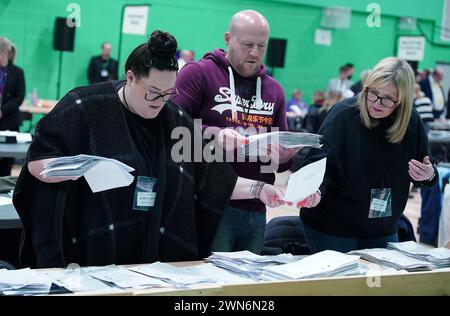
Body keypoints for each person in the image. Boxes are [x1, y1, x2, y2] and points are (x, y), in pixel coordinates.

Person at [12, 30, 285, 269]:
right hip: (93, 251)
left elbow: (214, 179)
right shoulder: (86, 106)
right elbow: (38, 163)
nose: (159, 101)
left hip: (154, 256)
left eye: (168, 93)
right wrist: (81, 170)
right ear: (130, 77)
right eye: (153, 92)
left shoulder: (175, 119)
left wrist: (260, 189)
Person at [173, 10, 298, 254]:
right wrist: (213, 134)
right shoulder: (198, 74)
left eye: (261, 46)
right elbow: (171, 130)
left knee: (246, 288)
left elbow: (278, 161)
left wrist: (285, 157)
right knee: (212, 285)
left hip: (259, 205)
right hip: (211, 205)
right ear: (228, 39)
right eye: (248, 45)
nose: (255, 53)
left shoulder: (274, 90)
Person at [298, 57, 438, 253]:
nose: (377, 103)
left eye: (389, 98)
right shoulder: (343, 115)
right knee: (344, 284)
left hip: (382, 227)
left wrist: (428, 175)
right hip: (334, 226)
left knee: (381, 283)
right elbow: (317, 164)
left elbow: (428, 171)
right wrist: (315, 190)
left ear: (402, 100)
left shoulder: (411, 122)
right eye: (373, 93)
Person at [0, 37, 25, 176]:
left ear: (4, 52)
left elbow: (19, 97)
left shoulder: (17, 72)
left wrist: (2, 111)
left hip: (9, 120)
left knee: (5, 164)